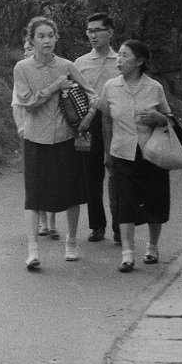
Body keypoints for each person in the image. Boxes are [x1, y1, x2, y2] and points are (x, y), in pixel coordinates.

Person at [13, 17, 95, 269]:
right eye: (41, 36)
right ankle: (33, 250)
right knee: (34, 195)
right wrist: (55, 87)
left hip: (66, 137)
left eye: (50, 35)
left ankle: (71, 242)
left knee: (72, 192)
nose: (47, 40)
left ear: (56, 37)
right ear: (31, 40)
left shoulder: (68, 65)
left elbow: (93, 94)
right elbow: (28, 103)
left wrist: (88, 117)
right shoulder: (22, 68)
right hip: (36, 138)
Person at [97, 40, 172, 273]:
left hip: (151, 153)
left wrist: (157, 118)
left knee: (155, 201)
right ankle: (127, 254)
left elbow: (168, 117)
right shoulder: (110, 86)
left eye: (124, 55)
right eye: (118, 55)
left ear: (139, 61)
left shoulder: (154, 87)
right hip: (121, 153)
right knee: (125, 203)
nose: (118, 60)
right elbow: (106, 119)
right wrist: (108, 150)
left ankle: (152, 246)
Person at [73, 13, 122, 244]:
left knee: (118, 172)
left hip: (116, 122)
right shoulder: (80, 63)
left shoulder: (121, 60)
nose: (93, 35)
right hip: (87, 123)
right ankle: (97, 226)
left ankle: (121, 227)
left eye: (98, 30)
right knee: (90, 174)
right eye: (89, 31)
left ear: (110, 32)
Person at [12, 38, 58, 239]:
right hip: (32, 132)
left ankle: (53, 222)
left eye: (28, 48)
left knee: (53, 177)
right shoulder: (22, 73)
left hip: (53, 132)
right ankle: (41, 221)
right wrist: (20, 126)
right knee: (36, 179)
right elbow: (16, 104)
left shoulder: (50, 72)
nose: (25, 52)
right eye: (24, 49)